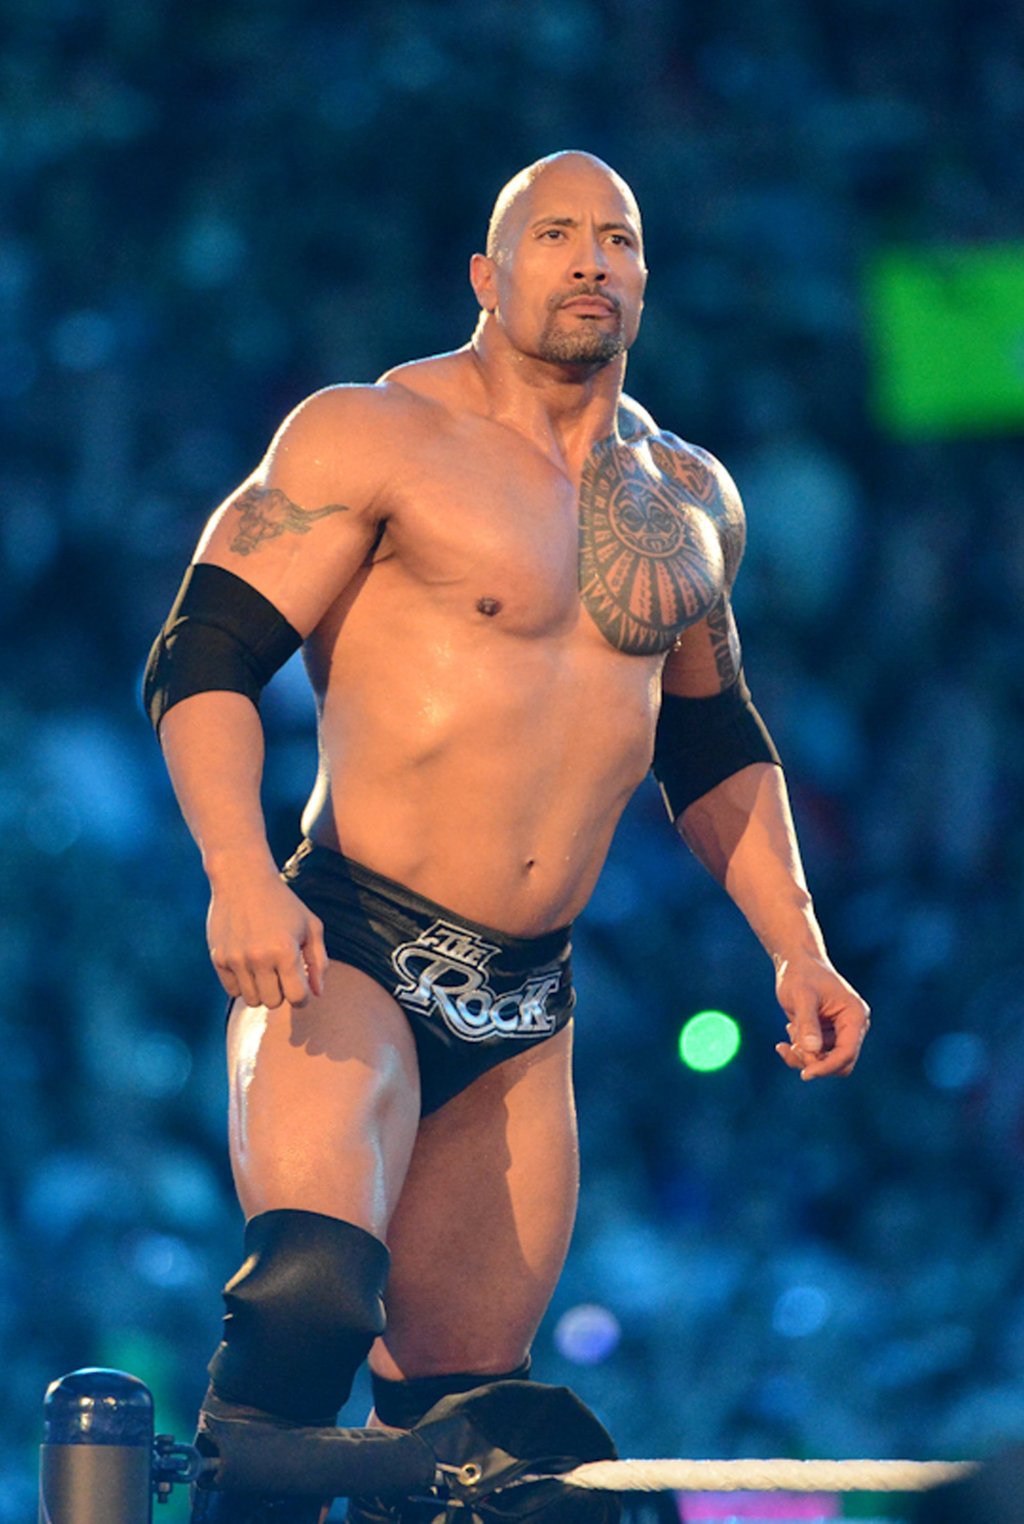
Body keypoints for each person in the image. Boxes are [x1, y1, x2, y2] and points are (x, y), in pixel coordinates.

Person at [144, 150, 871, 1523]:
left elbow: (715, 744)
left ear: (647, 278)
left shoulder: (690, 499)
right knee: (307, 1298)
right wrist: (237, 872)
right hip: (351, 939)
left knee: (473, 1421)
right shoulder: (373, 435)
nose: (592, 259)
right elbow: (203, 658)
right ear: (489, 274)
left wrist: (799, 948)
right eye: (557, 236)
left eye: (620, 238)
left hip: (525, 999)